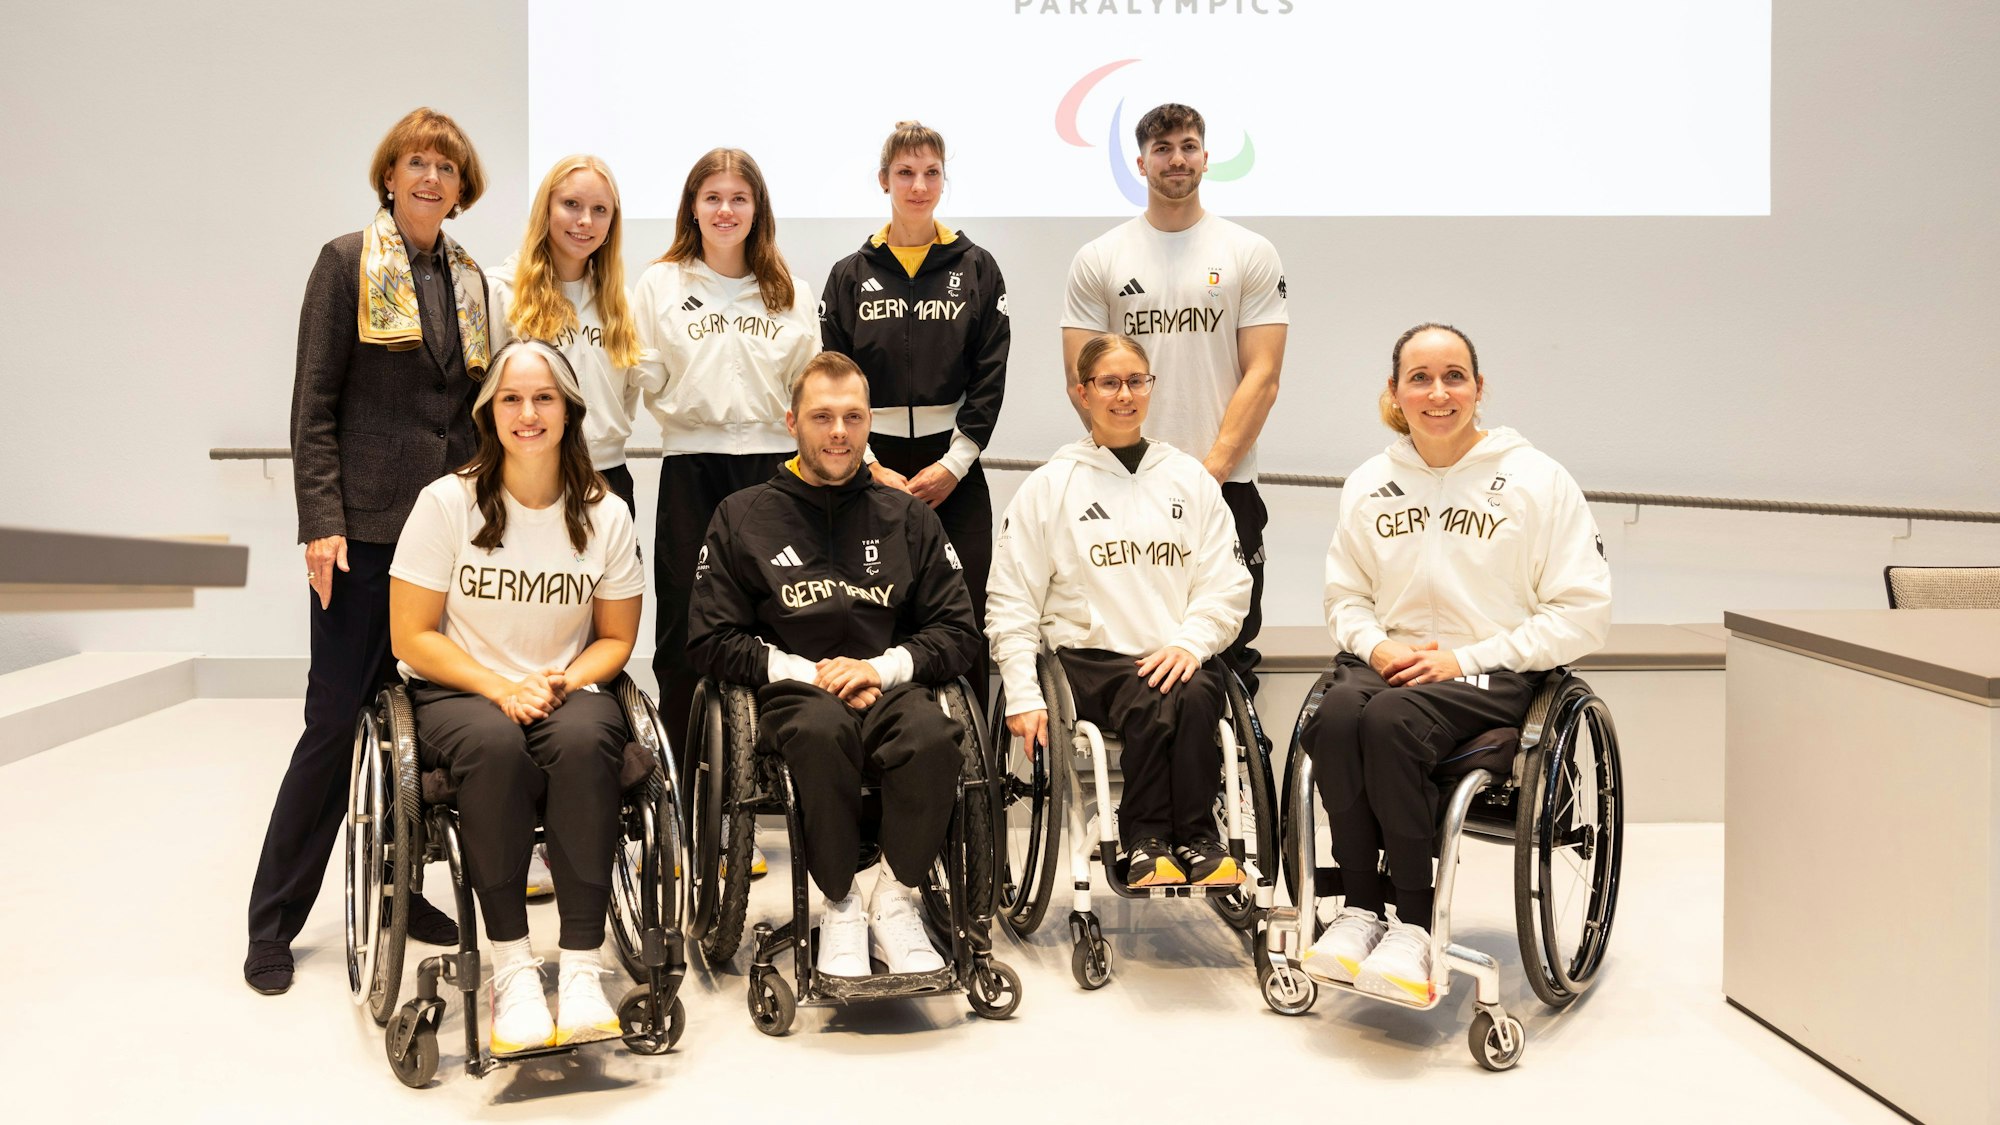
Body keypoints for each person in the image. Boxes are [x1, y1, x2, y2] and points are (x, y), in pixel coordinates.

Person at [247, 107, 487, 996]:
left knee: (418, 726)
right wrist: (322, 520)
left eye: (446, 167)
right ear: (389, 175)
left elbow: (466, 408)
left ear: (461, 188)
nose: (430, 178)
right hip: (363, 537)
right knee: (334, 724)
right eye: (416, 163)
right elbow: (312, 405)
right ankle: (273, 920)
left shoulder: (469, 278)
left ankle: (399, 885)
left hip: (445, 536)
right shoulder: (345, 262)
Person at [1298, 323, 1611, 1003]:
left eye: (1453, 376)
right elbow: (1345, 596)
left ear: (1477, 387)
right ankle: (1359, 909)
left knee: (1389, 719)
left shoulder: (1536, 479)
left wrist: (1465, 657)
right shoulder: (1370, 482)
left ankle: (1414, 922)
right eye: (1420, 378)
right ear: (1395, 391)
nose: (1437, 393)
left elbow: (1583, 612)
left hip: (1492, 670)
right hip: (1389, 662)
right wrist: (1376, 645)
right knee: (1337, 713)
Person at [686, 352, 981, 978]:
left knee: (935, 737)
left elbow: (958, 632)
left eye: (853, 417)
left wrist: (882, 668)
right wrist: (806, 672)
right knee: (820, 734)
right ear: (792, 421)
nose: (839, 432)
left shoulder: (908, 517)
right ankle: (840, 902)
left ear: (870, 422)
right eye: (822, 417)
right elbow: (710, 638)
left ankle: (893, 897)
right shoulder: (742, 515)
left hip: (887, 687)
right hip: (791, 691)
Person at [389, 339, 646, 1052]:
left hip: (562, 686)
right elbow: (411, 635)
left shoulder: (605, 512)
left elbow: (616, 638)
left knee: (588, 740)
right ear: (488, 413)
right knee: (497, 747)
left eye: (543, 398)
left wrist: (563, 679)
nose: (527, 413)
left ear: (569, 411)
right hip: (461, 690)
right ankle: (512, 966)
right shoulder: (447, 503)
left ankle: (583, 966)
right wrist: (501, 687)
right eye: (511, 398)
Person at [986, 333, 1250, 887]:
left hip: (1178, 653)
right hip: (1090, 661)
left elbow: (1226, 585)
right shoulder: (1050, 487)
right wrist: (1023, 692)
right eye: (1109, 383)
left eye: (1136, 381)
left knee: (1198, 694)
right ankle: (1146, 839)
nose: (1124, 395)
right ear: (1082, 392)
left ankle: (1198, 840)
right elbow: (1012, 599)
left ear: (1151, 387)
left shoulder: (1190, 480)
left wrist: (1191, 643)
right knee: (1152, 699)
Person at [1061, 102, 1287, 694]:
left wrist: (1208, 472)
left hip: (1226, 484)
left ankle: (1233, 750)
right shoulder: (1099, 258)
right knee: (1135, 641)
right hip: (1124, 484)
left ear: (1206, 158)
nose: (1176, 159)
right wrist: (1140, 468)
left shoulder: (1249, 252)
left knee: (1229, 644)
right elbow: (1082, 378)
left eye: (1188, 146)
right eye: (1162, 149)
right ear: (1141, 164)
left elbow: (1263, 375)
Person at [633, 148, 820, 781]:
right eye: (712, 197)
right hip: (692, 465)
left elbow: (809, 385)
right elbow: (642, 372)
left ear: (757, 208)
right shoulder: (660, 284)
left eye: (739, 198)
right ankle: (687, 774)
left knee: (777, 616)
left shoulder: (789, 289)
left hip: (773, 468)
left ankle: (769, 771)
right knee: (684, 618)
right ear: (692, 205)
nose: (725, 210)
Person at [820, 121, 1009, 695]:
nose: (919, 186)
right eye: (905, 173)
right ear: (884, 180)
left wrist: (954, 466)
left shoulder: (976, 268)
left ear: (944, 180)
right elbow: (835, 382)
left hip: (953, 469)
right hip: (867, 466)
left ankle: (970, 744)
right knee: (870, 611)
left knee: (961, 611)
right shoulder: (850, 274)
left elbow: (990, 376)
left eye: (931, 173)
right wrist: (869, 465)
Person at [487, 155, 644, 516]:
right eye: (571, 204)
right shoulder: (502, 290)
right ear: (546, 209)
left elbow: (627, 396)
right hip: (527, 478)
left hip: (608, 476)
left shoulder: (621, 302)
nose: (585, 220)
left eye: (600, 209)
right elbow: (486, 394)